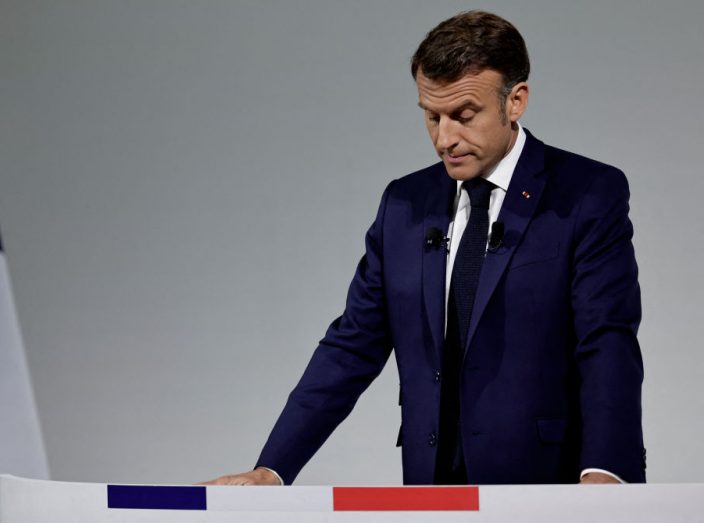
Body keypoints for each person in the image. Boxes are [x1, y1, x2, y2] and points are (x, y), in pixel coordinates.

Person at [205, 10, 645, 486]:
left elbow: (606, 341)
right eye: (431, 116)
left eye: (464, 115)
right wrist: (272, 468)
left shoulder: (586, 193)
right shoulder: (404, 204)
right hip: (430, 489)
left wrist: (607, 475)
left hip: (548, 489)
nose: (444, 138)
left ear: (515, 101)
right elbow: (352, 345)